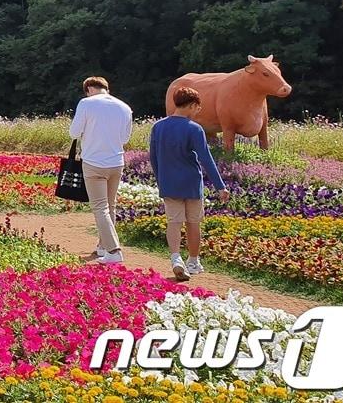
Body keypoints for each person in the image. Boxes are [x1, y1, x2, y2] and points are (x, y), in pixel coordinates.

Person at [149, 87, 230, 281]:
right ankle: (193, 261)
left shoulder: (158, 127)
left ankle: (176, 258)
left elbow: (153, 158)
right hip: (191, 183)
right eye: (197, 108)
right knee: (193, 222)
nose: (197, 112)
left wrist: (161, 180)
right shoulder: (194, 129)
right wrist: (220, 186)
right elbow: (206, 159)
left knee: (174, 222)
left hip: (169, 182)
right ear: (192, 105)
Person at [69, 76, 134, 264]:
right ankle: (103, 246)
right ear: (106, 88)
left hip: (94, 161)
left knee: (100, 207)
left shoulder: (86, 103)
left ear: (89, 88)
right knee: (110, 206)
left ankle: (114, 250)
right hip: (116, 161)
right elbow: (125, 138)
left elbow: (74, 133)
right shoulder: (124, 107)